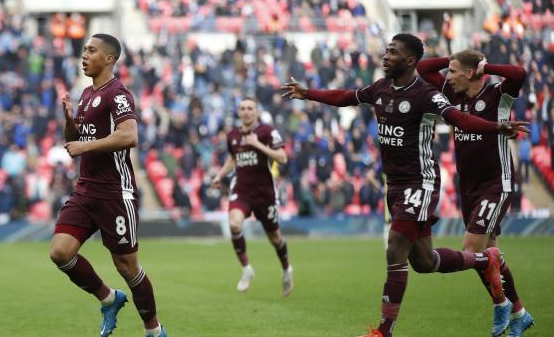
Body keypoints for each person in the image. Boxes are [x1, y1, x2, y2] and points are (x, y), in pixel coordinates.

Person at [281, 33, 529, 337]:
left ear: (409, 60)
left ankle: (384, 331)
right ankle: (486, 259)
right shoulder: (380, 88)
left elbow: (458, 120)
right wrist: (308, 93)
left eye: (393, 52)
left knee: (395, 247)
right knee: (425, 261)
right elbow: (345, 97)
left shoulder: (427, 94)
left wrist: (497, 126)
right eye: (386, 51)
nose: (385, 57)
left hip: (420, 183)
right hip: (395, 185)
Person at [49, 34, 167, 337]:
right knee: (60, 252)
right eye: (84, 50)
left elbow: (130, 137)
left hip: (115, 192)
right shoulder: (87, 94)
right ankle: (109, 299)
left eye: (91, 50)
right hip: (85, 189)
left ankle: (154, 331)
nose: (84, 55)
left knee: (127, 267)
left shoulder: (119, 94)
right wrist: (69, 120)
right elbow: (74, 140)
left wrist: (85, 148)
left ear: (109, 58)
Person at [417, 51, 534, 336]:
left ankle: (501, 304)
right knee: (487, 255)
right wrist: (452, 60)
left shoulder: (498, 94)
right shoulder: (451, 91)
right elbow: (422, 67)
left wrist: (486, 66)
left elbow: (519, 73)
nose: (448, 76)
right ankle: (518, 312)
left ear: (471, 73)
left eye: (455, 71)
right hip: (467, 185)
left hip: (496, 181)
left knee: (471, 250)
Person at [211, 97, 294, 296]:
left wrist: (258, 145)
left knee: (274, 238)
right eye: (243, 109)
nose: (246, 112)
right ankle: (247, 269)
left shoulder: (267, 132)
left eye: (250, 108)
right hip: (241, 191)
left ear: (256, 111)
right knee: (234, 224)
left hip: (265, 194)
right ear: (239, 112)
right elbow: (233, 158)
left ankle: (286, 269)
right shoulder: (232, 135)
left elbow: (282, 158)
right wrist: (220, 175)